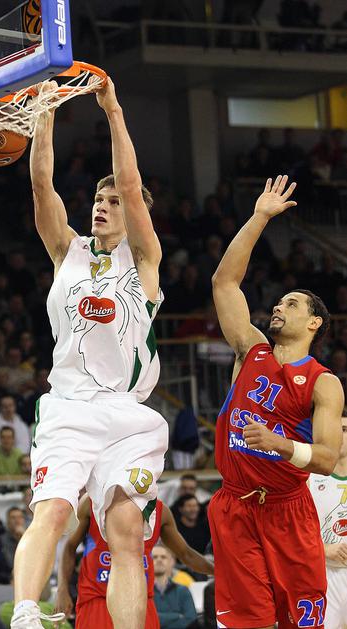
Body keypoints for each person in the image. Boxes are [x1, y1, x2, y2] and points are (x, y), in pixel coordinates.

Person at [10, 77, 168, 629]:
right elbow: (41, 184)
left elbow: (131, 181)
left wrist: (113, 110)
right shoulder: (67, 251)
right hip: (71, 406)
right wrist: (45, 110)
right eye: (99, 199)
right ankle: (25, 614)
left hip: (128, 414)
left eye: (114, 201)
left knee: (126, 532)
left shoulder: (143, 259)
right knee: (53, 509)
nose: (103, 205)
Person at [209, 174, 345, 628]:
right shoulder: (251, 350)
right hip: (235, 504)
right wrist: (259, 217)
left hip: (289, 508)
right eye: (279, 302)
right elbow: (225, 283)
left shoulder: (323, 383)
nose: (278, 308)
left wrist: (279, 444)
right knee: (248, 621)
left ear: (314, 323)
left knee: (301, 621)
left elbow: (326, 459)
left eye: (291, 304)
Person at [57, 496, 213, 628]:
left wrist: (219, 571)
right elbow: (70, 547)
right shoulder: (92, 501)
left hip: (141, 601)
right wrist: (62, 590)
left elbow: (186, 554)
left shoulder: (160, 511)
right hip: (98, 599)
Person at [309, 409, 347, 629]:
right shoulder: (308, 479)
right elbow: (291, 534)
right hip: (324, 572)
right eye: (335, 429)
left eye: (345, 429)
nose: (339, 435)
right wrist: (322, 549)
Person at [153, 545, 198, 629]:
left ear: (172, 562)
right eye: (154, 557)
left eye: (163, 557)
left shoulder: (183, 590)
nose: (159, 560)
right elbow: (144, 619)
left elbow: (191, 619)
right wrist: (176, 616)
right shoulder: (142, 593)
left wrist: (157, 618)